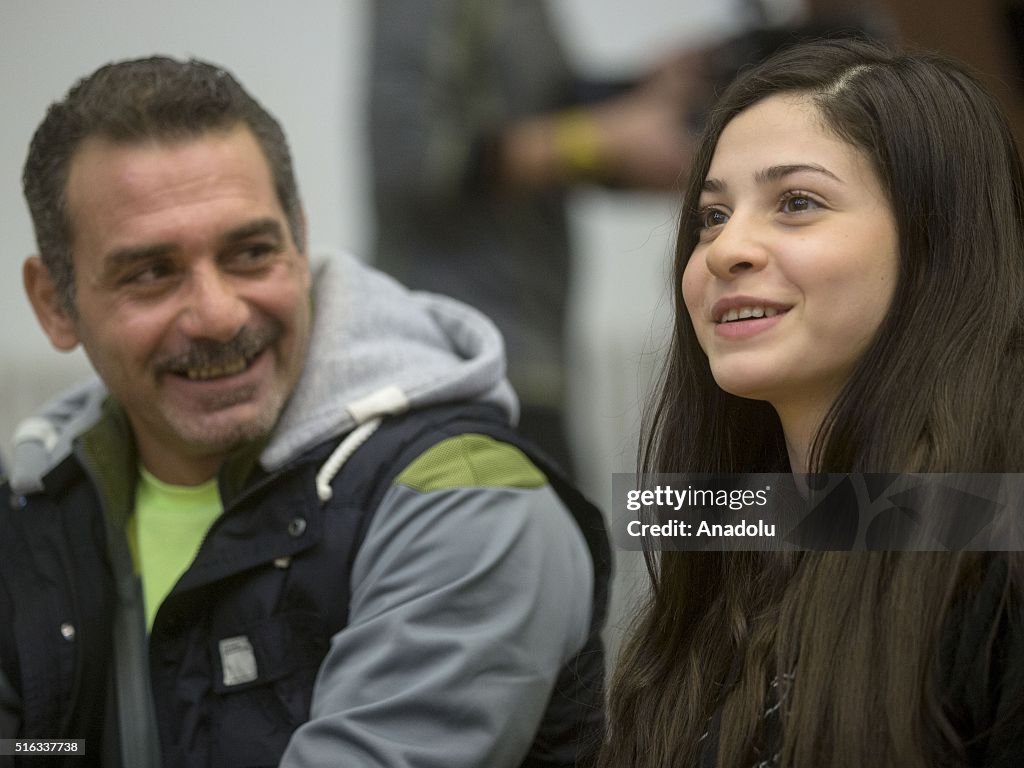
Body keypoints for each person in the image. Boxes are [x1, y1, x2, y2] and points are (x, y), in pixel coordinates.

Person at [0, 57, 610, 768]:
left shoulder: (466, 499)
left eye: (251, 253)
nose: (218, 315)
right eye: (152, 273)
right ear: (54, 302)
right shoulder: (38, 504)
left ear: (299, 240)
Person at [599, 39, 1024, 767]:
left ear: (936, 247)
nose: (726, 249)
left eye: (797, 202)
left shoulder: (998, 540)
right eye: (711, 215)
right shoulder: (719, 521)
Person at [369, 0, 697, 473]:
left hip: (531, 353)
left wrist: (638, 91)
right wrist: (601, 137)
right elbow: (413, 160)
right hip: (457, 363)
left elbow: (543, 107)